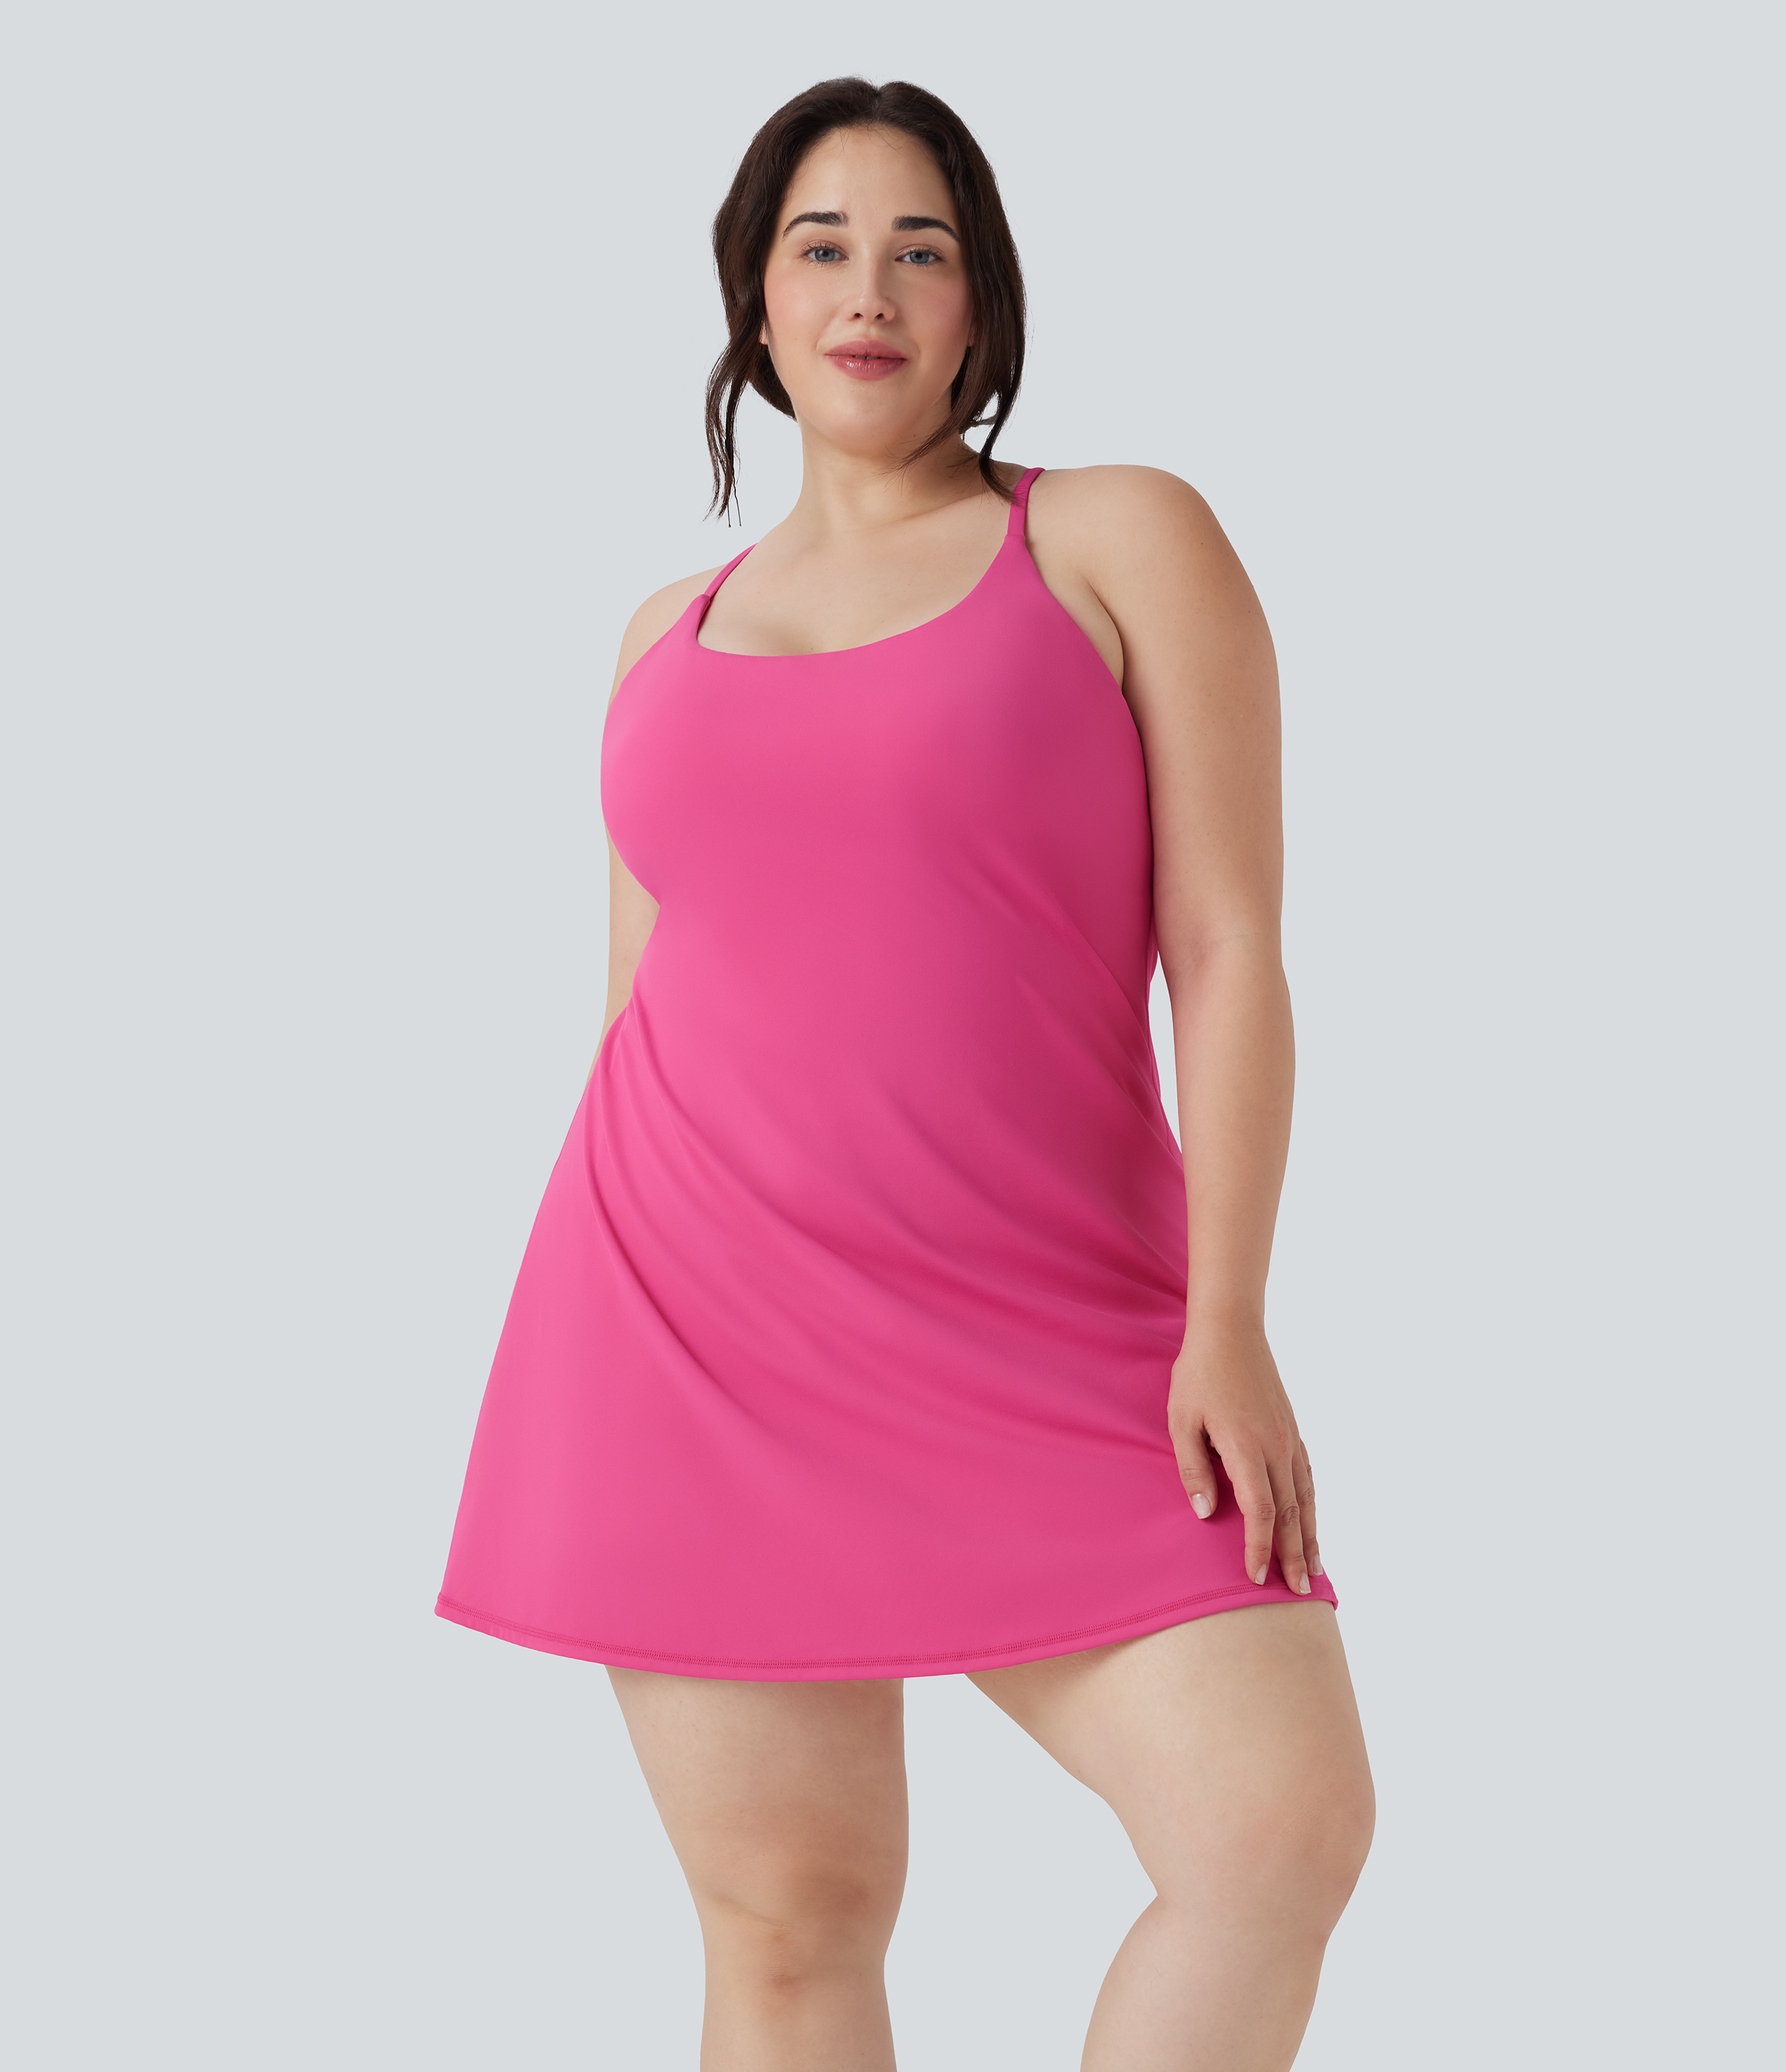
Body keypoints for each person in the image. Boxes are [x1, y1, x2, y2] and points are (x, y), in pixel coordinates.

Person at [437, 74, 1374, 2072]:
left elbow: (1227, 953)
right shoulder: (662, 634)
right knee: (791, 1924)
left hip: (1051, 1316)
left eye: (920, 249)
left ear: (980, 305)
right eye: (823, 247)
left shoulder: (1110, 537)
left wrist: (1227, 1319)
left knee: (1275, 1827)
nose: (869, 290)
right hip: (682, 1331)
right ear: (757, 304)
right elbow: (639, 1010)